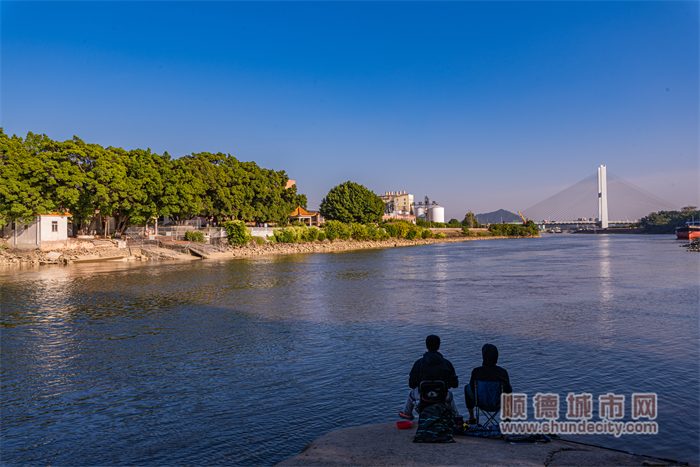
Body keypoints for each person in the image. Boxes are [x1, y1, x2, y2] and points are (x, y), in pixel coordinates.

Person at [399, 335, 462, 421]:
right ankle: (456, 417)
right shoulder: (447, 364)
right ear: (439, 347)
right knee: (450, 396)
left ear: (426, 346)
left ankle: (407, 414)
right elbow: (455, 384)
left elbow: (412, 384)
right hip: (442, 396)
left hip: (423, 396)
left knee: (411, 393)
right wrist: (448, 384)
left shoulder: (419, 363)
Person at [464, 343, 512, 424]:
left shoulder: (477, 372)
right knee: (509, 390)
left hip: (480, 402)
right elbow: (508, 390)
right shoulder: (503, 372)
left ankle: (472, 417)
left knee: (467, 387)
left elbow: (472, 389)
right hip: (498, 403)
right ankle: (506, 418)